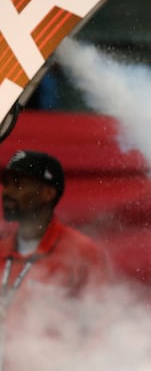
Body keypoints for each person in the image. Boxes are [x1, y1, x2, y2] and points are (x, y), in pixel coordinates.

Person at [0, 149, 110, 370]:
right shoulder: (2, 248)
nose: (7, 192)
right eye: (6, 183)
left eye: (18, 184)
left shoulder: (81, 252)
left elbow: (99, 329)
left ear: (48, 193)